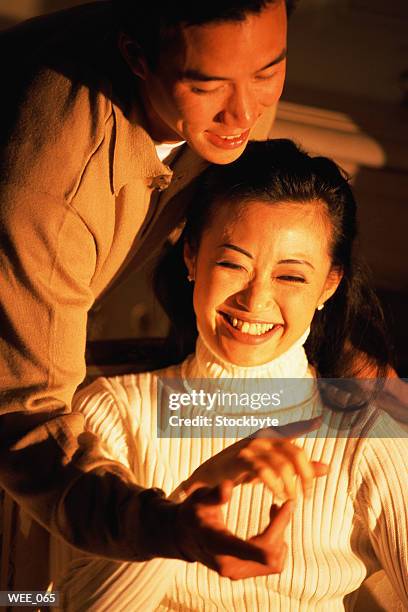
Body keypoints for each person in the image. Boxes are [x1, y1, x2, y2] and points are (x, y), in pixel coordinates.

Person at [53, 140, 407, 610]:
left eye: (291, 277)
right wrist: (189, 504)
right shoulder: (114, 410)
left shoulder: (371, 426)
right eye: (232, 264)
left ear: (329, 284)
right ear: (191, 258)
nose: (255, 301)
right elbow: (62, 603)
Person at [0, 0, 294, 563]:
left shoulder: (230, 84)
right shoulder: (50, 191)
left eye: (269, 73)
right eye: (207, 86)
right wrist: (171, 529)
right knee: (25, 600)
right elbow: (25, 417)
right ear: (135, 56)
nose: (244, 115)